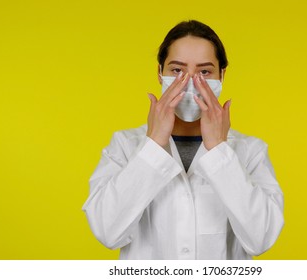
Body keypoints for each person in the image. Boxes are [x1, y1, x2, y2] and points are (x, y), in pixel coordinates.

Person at [82, 20, 284, 260]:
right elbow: (108, 231)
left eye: (204, 72)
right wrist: (154, 144)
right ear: (159, 73)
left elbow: (260, 238)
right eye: (177, 70)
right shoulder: (125, 146)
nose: (190, 82)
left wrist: (220, 150)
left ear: (222, 75)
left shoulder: (250, 151)